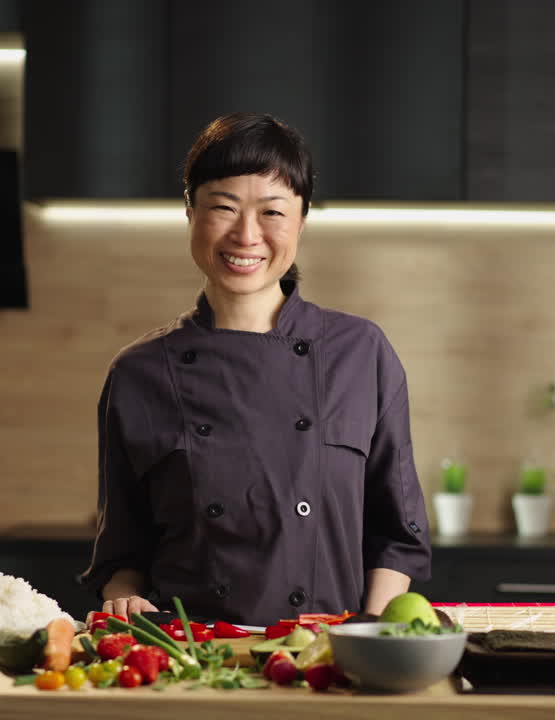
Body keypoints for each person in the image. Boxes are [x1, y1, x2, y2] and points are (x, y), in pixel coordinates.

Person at [81, 112, 431, 626]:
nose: (246, 235)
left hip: (325, 660)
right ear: (190, 213)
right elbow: (123, 554)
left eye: (272, 212)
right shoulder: (139, 372)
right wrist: (124, 598)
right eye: (223, 207)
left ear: (302, 220)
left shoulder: (361, 352)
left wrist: (370, 636)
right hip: (194, 663)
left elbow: (397, 536)